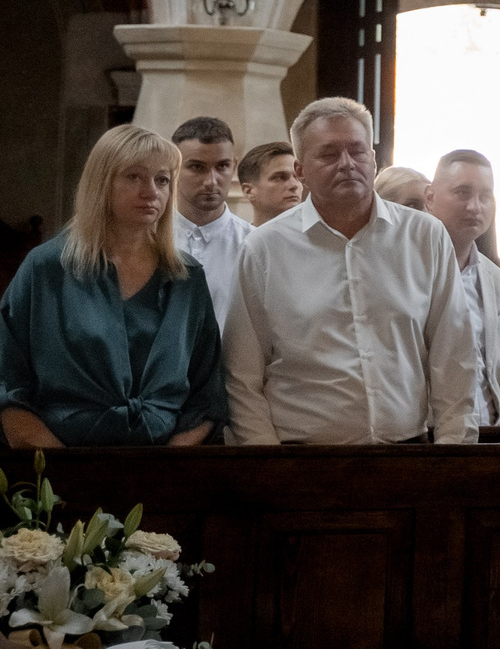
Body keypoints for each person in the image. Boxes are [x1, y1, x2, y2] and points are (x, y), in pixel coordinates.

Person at [224, 98, 479, 445]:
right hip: (303, 457)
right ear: (301, 170)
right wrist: (268, 462)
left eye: (357, 151)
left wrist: (451, 451)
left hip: (407, 451)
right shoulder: (265, 247)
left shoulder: (423, 236)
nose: (347, 164)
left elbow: (454, 354)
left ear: (373, 160)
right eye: (328, 154)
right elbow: (242, 373)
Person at [0, 125, 225, 447]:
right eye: (134, 177)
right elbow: (8, 382)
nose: (151, 192)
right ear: (102, 183)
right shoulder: (47, 268)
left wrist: (169, 470)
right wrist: (64, 471)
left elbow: (206, 395)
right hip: (57, 460)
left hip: (166, 466)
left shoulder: (186, 277)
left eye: (162, 180)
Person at [425, 149, 500, 430]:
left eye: (484, 196)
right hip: (423, 441)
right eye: (462, 193)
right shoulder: (408, 274)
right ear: (430, 198)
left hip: (492, 438)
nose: (475, 206)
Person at [170, 116, 252, 327]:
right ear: (173, 168)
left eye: (222, 166)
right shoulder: (146, 239)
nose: (211, 181)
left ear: (234, 166)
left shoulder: (254, 244)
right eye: (197, 167)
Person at [238, 141, 303, 226]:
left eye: (297, 177)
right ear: (249, 191)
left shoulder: (321, 236)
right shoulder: (238, 238)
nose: (294, 185)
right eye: (280, 178)